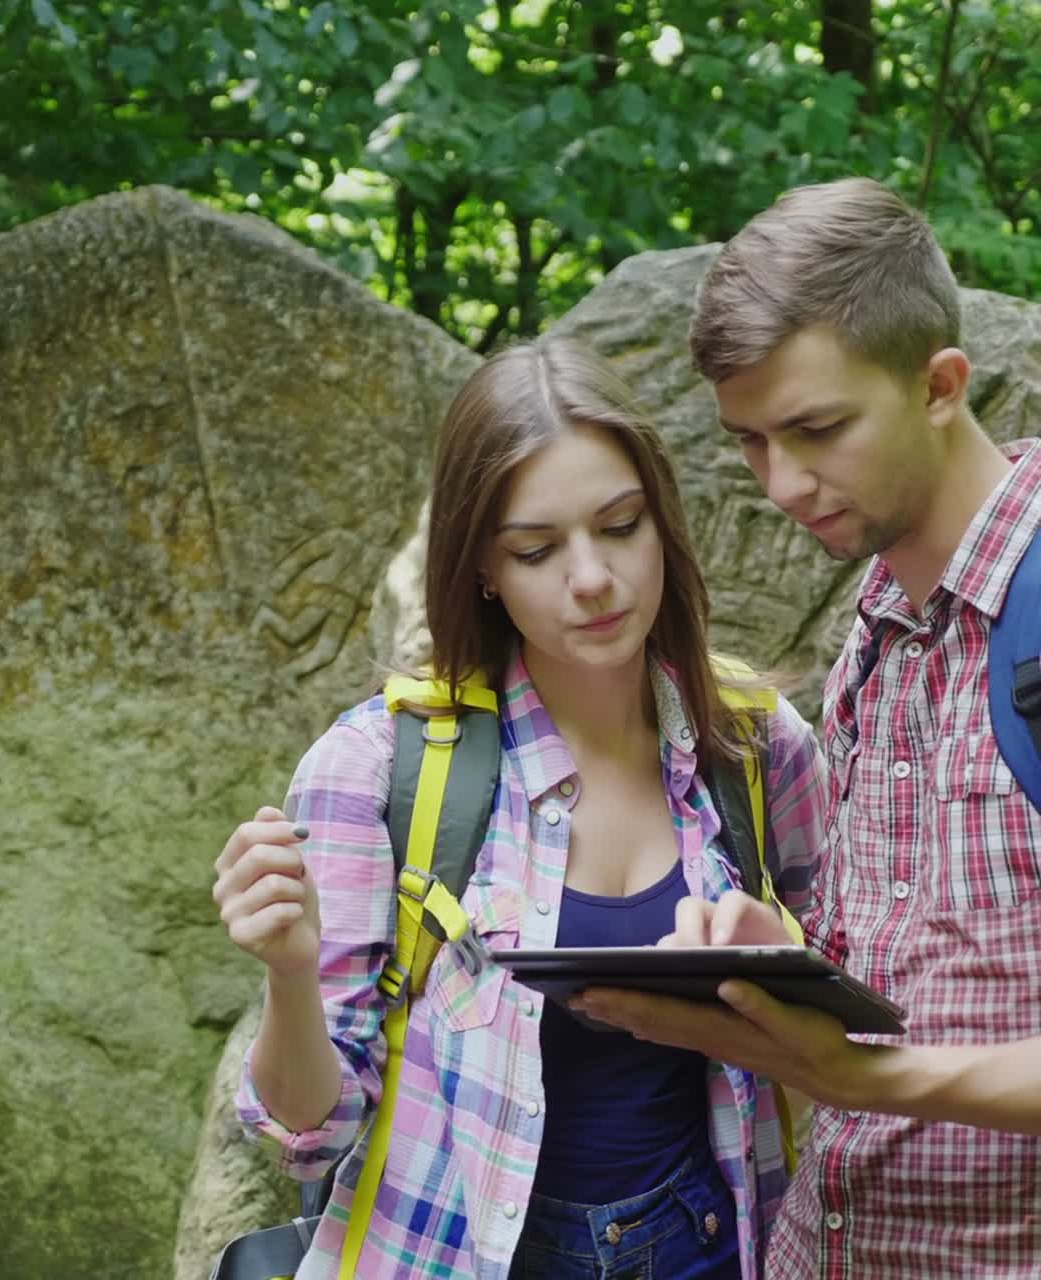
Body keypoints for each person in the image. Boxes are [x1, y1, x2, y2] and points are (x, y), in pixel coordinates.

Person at [212, 337, 825, 1280]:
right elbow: (308, 1132)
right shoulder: (378, 768)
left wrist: (781, 964)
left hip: (718, 1244)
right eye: (536, 548)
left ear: (663, 523)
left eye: (620, 526)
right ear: (484, 568)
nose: (590, 578)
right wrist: (288, 976)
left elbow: (850, 1027)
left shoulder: (753, 744)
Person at [575, 177, 1041, 1278]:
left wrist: (871, 1078)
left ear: (937, 384)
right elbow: (919, 963)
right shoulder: (874, 639)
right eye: (747, 441)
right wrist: (773, 959)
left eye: (815, 429)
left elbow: (873, 1064)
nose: (781, 482)